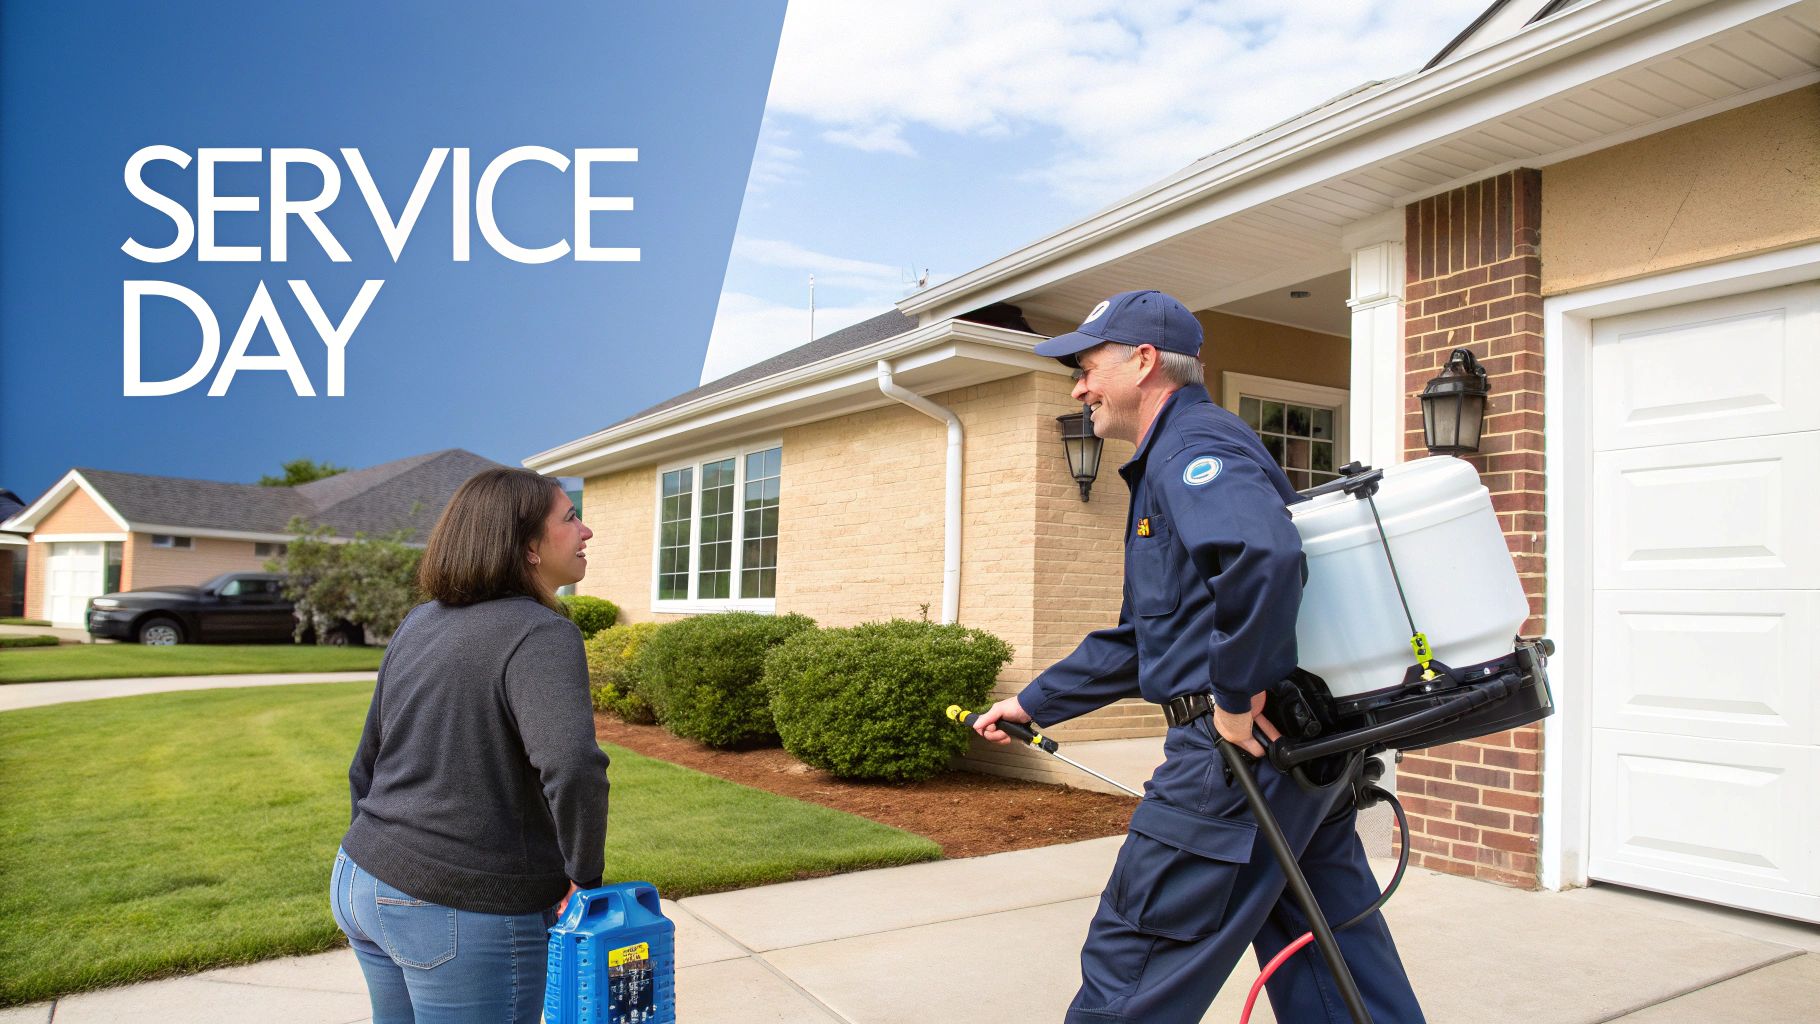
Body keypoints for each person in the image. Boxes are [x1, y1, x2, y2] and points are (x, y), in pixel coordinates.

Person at [971, 291, 1423, 1023]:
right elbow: (1150, 635)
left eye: (1087, 367)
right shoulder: (1171, 460)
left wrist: (1237, 702)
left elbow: (1263, 556)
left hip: (1234, 760)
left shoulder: (1194, 449)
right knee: (1334, 967)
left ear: (1144, 362)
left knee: (1135, 963)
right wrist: (1034, 703)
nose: (1078, 387)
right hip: (1287, 756)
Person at [329, 467, 610, 1023]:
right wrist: (585, 880)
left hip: (360, 878)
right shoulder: (542, 632)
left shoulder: (420, 622)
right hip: (458, 906)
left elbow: (367, 759)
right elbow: (573, 765)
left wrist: (384, 850)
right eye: (570, 517)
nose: (586, 532)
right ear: (528, 546)